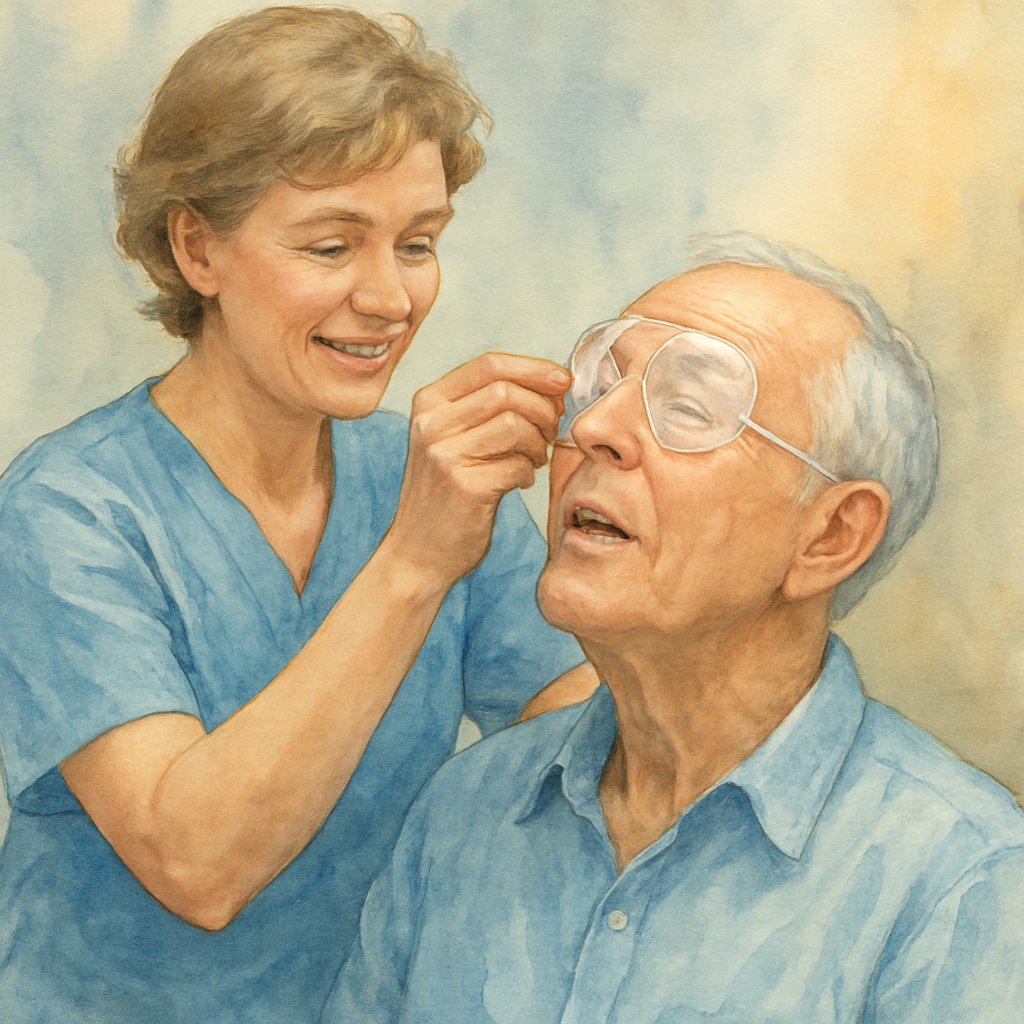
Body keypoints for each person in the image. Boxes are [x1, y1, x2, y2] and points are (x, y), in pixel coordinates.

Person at [0, 7, 596, 1023]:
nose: (390, 298)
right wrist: (412, 562)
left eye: (417, 243)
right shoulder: (67, 509)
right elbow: (197, 865)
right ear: (199, 249)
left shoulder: (428, 483)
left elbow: (587, 752)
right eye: (331, 245)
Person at [326, 232, 1024, 1023]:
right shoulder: (465, 809)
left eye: (688, 408)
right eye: (599, 385)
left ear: (831, 537)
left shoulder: (966, 879)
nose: (593, 429)